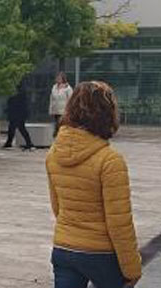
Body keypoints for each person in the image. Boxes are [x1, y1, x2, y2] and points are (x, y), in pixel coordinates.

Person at [45, 81, 140, 288]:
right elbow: (119, 223)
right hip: (101, 254)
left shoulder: (53, 155)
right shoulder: (110, 161)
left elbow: (58, 207)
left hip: (64, 248)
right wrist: (132, 269)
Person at [3, 84, 34, 150]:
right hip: (16, 114)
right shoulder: (21, 95)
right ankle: (10, 142)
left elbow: (15, 103)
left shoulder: (20, 95)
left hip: (18, 114)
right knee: (13, 128)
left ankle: (29, 143)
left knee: (20, 128)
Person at [49, 72, 73, 137]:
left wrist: (69, 110)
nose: (58, 79)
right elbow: (51, 99)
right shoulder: (54, 87)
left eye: (59, 78)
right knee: (57, 125)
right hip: (56, 110)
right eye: (57, 78)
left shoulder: (68, 88)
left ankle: (60, 138)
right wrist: (51, 110)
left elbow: (71, 99)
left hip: (63, 110)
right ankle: (57, 138)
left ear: (63, 79)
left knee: (60, 126)